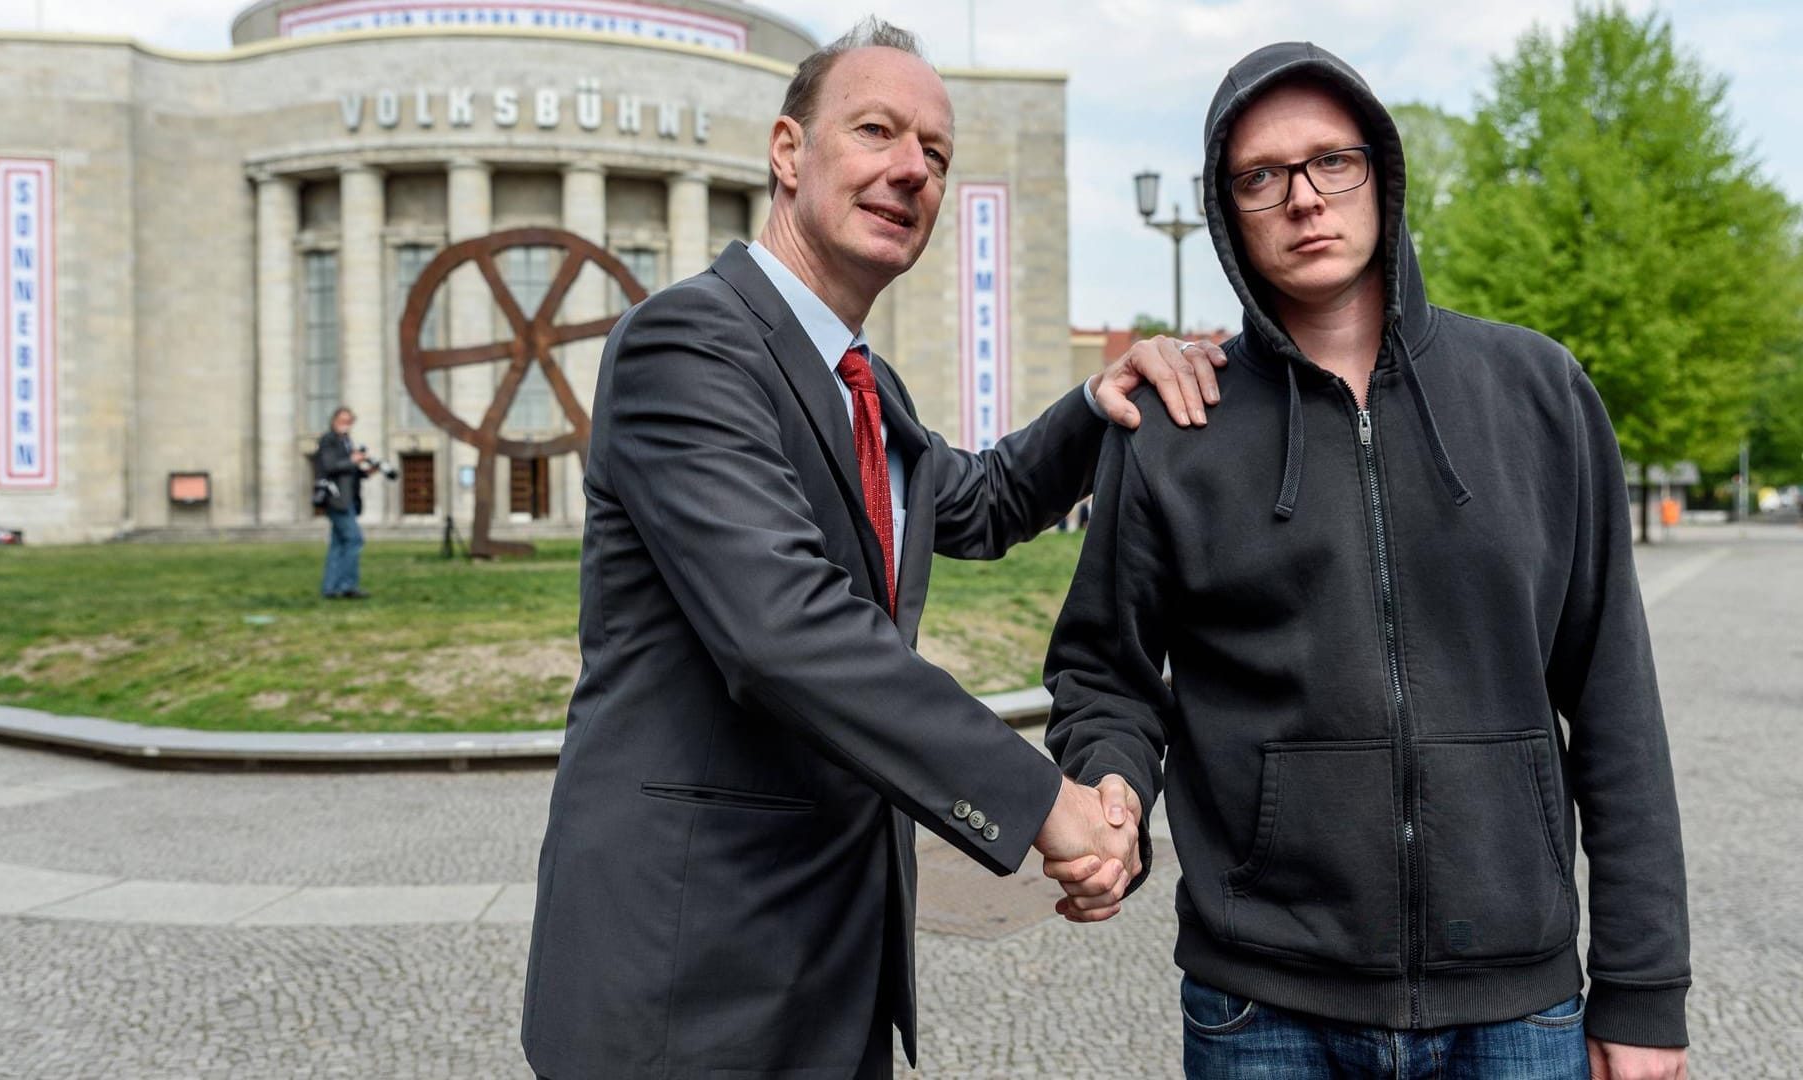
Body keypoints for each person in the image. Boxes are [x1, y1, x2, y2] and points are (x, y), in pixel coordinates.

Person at [520, 18, 1226, 1080]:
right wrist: (1049, 804)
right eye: (879, 131)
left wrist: (1097, 401)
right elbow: (784, 629)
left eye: (936, 155)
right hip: (689, 977)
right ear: (788, 151)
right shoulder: (688, 343)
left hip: (833, 966)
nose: (911, 170)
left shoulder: (864, 386)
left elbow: (975, 504)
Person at [1044, 42, 1691, 1080]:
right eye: (1262, 176)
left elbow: (1615, 706)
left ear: (1381, 176)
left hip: (1519, 1009)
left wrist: (1645, 991)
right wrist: (1112, 783)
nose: (1303, 198)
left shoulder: (1539, 394)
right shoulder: (1175, 425)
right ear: (1225, 210)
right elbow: (1104, 673)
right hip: (1263, 1009)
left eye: (1330, 162)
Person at [315, 406, 374, 600]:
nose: (346, 424)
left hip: (347, 499)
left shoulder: (346, 441)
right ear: (334, 421)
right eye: (342, 420)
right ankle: (347, 585)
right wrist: (353, 460)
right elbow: (330, 465)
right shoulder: (329, 440)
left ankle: (330, 588)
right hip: (336, 499)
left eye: (349, 421)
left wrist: (365, 472)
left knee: (338, 544)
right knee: (354, 540)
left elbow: (348, 471)